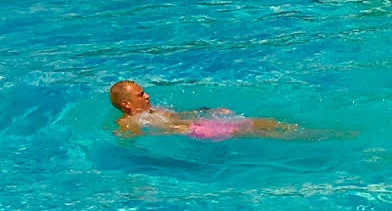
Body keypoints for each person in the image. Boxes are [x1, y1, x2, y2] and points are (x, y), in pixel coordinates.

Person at [107, 80, 299, 139]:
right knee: (262, 130)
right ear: (126, 104)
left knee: (268, 124)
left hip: (201, 123)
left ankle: (303, 134)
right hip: (200, 131)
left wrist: (208, 110)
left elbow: (177, 115)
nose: (147, 96)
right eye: (140, 95)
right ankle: (309, 137)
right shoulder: (128, 122)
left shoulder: (152, 111)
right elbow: (129, 139)